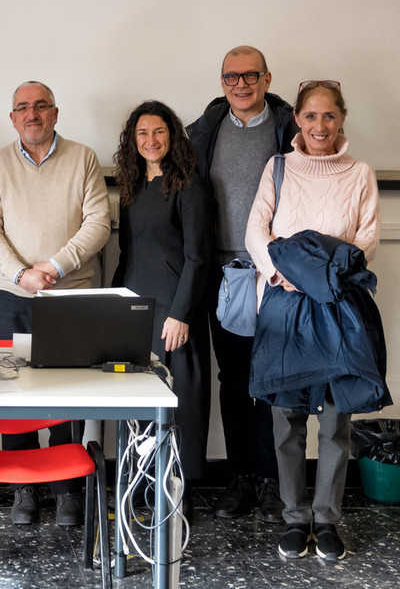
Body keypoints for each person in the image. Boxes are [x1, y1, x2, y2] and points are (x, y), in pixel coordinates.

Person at [245, 81, 380, 561]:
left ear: (340, 119)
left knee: (336, 418)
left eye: (328, 116)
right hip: (284, 302)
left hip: (338, 305)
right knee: (287, 418)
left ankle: (326, 519)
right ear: (297, 119)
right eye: (310, 116)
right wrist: (286, 273)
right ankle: (294, 517)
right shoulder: (277, 167)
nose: (319, 126)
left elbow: (366, 239)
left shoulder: (360, 173)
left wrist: (316, 274)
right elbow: (256, 230)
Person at [0, 80, 110, 525]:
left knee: (66, 393)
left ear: (55, 113)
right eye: (22, 108)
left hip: (69, 298)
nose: (31, 114)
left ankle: (66, 488)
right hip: (11, 296)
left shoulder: (83, 158)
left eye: (40, 106)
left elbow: (98, 223)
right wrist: (22, 274)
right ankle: (23, 487)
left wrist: (53, 266)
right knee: (14, 393)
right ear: (12, 117)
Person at [187, 45, 296, 523]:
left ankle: (272, 480)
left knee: (272, 379)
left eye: (251, 75)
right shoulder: (204, 132)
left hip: (276, 273)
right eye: (232, 76)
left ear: (267, 79)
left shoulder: (289, 128)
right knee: (232, 379)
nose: (242, 84)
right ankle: (240, 478)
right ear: (222, 82)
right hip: (224, 273)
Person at [112, 101, 212, 515]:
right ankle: (142, 486)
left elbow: (198, 257)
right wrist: (114, 305)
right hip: (137, 309)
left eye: (158, 131)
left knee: (179, 404)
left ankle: (175, 496)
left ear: (172, 136)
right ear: (132, 141)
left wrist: (181, 313)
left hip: (175, 312)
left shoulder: (189, 185)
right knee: (139, 404)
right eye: (142, 133)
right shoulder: (132, 186)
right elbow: (127, 254)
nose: (150, 140)